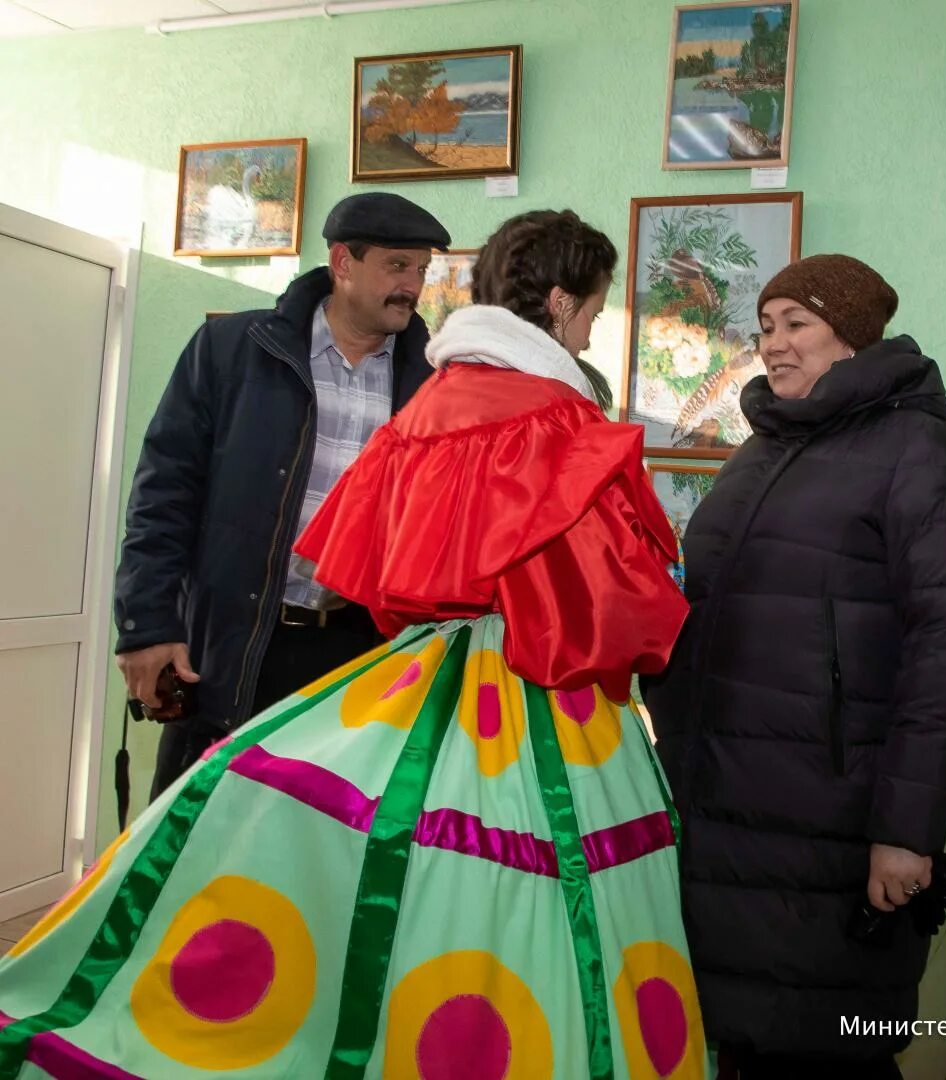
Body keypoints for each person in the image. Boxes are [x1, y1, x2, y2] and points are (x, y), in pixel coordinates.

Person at [0, 210, 708, 1080]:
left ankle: (247, 1007)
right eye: (595, 310)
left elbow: (365, 555)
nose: (594, 328)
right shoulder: (559, 416)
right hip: (491, 680)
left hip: (390, 665)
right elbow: (604, 600)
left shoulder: (433, 389)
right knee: (501, 879)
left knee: (281, 840)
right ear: (561, 304)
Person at [642, 254, 946, 1078]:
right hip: (728, 802)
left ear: (854, 336)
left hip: (832, 819)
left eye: (797, 323)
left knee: (827, 1044)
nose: (775, 345)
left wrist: (906, 835)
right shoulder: (762, 449)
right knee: (745, 1038)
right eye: (766, 327)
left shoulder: (920, 451)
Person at [114, 192, 450, 800]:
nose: (413, 286)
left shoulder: (431, 387)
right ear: (344, 262)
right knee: (201, 846)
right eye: (398, 266)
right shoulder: (232, 351)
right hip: (241, 647)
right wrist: (146, 624)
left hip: (363, 655)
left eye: (423, 270)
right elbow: (164, 495)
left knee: (326, 857)